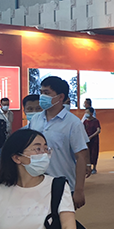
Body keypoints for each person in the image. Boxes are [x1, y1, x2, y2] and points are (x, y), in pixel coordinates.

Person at [29, 76, 90, 209]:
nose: (42, 96)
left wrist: (79, 190)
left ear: (60, 97)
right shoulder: (35, 120)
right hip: (36, 184)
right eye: (41, 92)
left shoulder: (73, 123)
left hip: (63, 185)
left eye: (46, 93)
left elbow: (81, 157)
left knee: (62, 220)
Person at [83, 107, 101, 174]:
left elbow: (98, 130)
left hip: (94, 140)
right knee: (87, 154)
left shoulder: (96, 121)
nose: (86, 114)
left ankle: (94, 168)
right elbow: (82, 130)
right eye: (85, 112)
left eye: (87, 112)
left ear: (91, 113)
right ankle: (88, 167)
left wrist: (91, 137)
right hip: (86, 140)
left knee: (94, 153)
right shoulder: (85, 122)